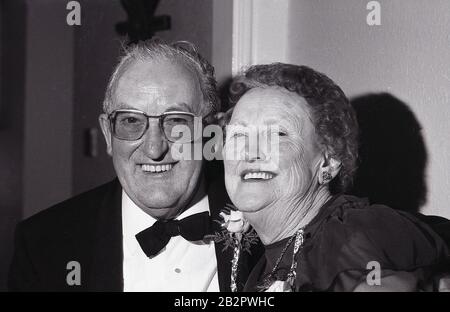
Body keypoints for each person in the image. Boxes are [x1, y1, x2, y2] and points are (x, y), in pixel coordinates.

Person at [8, 39, 259, 291]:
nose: (154, 148)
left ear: (210, 133)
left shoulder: (265, 225)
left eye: (176, 122)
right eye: (130, 120)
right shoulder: (43, 246)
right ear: (108, 134)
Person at [221, 63, 450, 291]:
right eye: (238, 134)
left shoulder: (350, 236)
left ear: (329, 161)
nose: (249, 151)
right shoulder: (269, 260)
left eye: (278, 134)